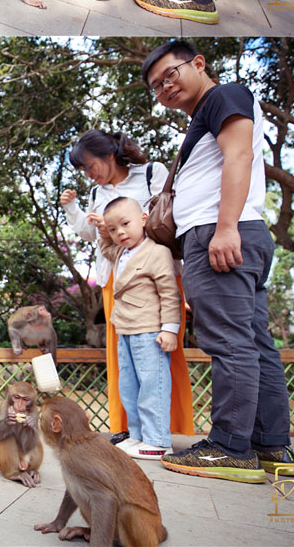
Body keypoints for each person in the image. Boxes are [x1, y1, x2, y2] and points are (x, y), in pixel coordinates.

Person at [142, 40, 294, 482]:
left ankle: (229, 448)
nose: (165, 87)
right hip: (231, 231)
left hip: (221, 232)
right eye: (156, 86)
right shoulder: (206, 114)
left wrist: (226, 226)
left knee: (229, 342)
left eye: (170, 74)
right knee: (252, 340)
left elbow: (240, 155)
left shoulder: (223, 95)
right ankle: (268, 444)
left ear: (198, 63)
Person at [61, 129, 193, 443]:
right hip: (116, 281)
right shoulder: (96, 193)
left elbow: (172, 214)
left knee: (166, 351)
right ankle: (128, 429)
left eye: (90, 165)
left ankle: (168, 429)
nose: (88, 174)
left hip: (157, 275)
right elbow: (89, 234)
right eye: (83, 170)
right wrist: (75, 210)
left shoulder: (151, 173)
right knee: (122, 359)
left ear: (108, 154)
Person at [99, 196, 182, 460]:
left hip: (149, 331)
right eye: (113, 229)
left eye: (125, 224)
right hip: (124, 329)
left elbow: (169, 293)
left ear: (143, 219)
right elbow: (105, 246)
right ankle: (138, 435)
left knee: (152, 385)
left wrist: (170, 328)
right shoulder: (120, 252)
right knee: (129, 386)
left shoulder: (157, 252)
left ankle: (158, 440)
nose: (120, 233)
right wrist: (103, 230)